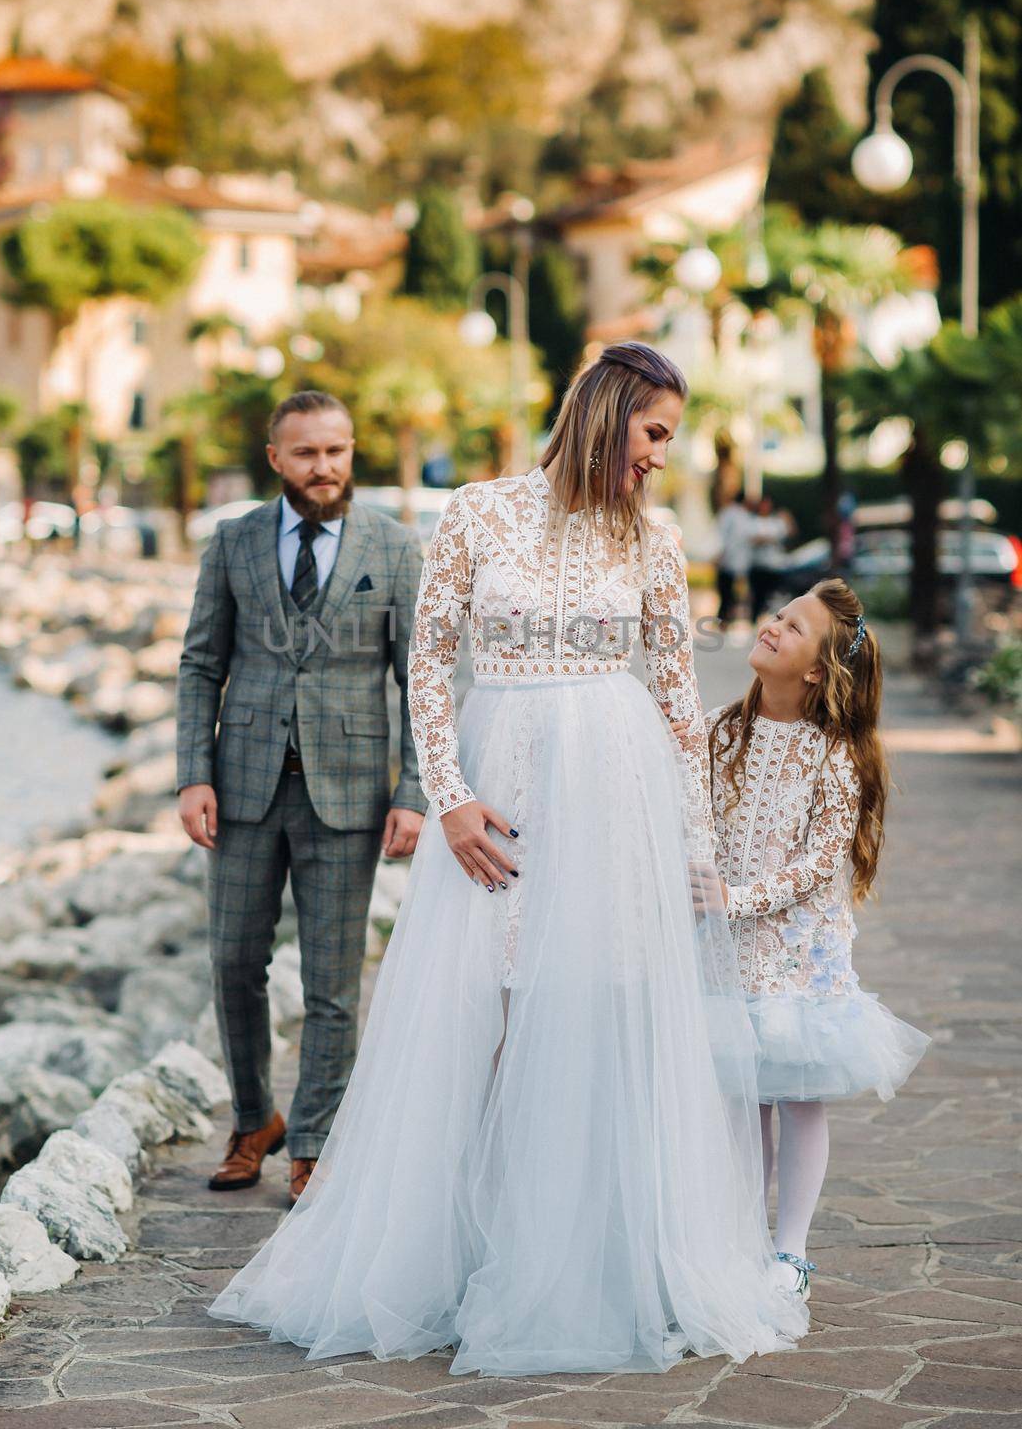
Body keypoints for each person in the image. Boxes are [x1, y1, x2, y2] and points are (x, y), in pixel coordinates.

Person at [207, 341, 807, 1376]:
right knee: (477, 1011)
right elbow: (430, 661)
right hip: (499, 787)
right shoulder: (478, 513)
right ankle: (465, 1253)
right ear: (608, 412)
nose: (664, 456)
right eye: (655, 431)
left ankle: (582, 1257)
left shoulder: (656, 539)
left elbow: (675, 698)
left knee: (590, 1005)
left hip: (613, 792)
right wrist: (448, 796)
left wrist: (697, 844)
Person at [175, 390, 427, 1206]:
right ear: (276, 458)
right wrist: (192, 775)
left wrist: (415, 791)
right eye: (307, 453)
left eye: (337, 451)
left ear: (353, 453)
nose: (325, 468)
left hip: (349, 794)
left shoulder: (392, 549)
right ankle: (254, 1120)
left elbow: (417, 680)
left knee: (331, 983)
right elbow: (200, 665)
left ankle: (313, 1140)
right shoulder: (232, 542)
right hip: (242, 786)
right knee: (233, 964)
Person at [703, 580, 930, 1299]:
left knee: (798, 1095)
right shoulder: (719, 733)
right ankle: (737, 1239)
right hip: (725, 949)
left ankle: (789, 1251)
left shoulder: (835, 757)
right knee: (741, 1099)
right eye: (778, 615)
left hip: (796, 952)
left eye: (791, 627)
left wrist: (736, 900)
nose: (771, 626)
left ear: (814, 671)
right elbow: (695, 820)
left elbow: (816, 865)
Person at [748, 495, 795, 623]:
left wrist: (787, 518)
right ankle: (754, 620)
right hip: (759, 565)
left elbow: (789, 533)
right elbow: (752, 539)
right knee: (758, 596)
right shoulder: (753, 521)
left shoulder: (775, 522)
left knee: (775, 596)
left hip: (774, 566)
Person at [716, 491, 753, 625]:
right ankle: (725, 620)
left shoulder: (728, 513)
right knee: (730, 594)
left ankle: (724, 620)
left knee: (726, 593)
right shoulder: (742, 516)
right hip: (736, 561)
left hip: (729, 560)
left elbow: (721, 537)